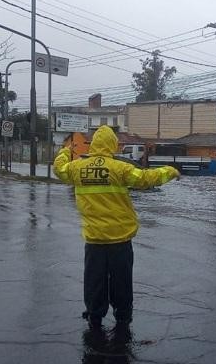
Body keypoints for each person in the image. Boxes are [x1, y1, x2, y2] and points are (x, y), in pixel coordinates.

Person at [54, 125, 180, 329]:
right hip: (120, 238)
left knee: (94, 280)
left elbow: (59, 170)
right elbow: (146, 179)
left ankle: (94, 315)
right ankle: (123, 317)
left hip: (94, 239)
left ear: (93, 144)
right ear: (112, 145)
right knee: (121, 281)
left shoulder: (77, 168)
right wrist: (169, 171)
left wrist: (64, 151)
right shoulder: (119, 168)